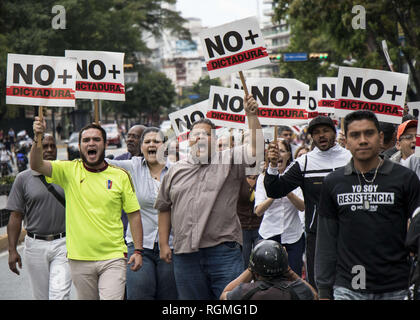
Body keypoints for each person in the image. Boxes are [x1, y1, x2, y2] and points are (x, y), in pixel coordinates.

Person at [155, 94, 264, 300]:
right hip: (185, 255)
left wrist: (252, 116)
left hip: (223, 252)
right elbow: (163, 207)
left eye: (205, 134)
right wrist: (163, 244)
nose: (199, 138)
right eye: (195, 135)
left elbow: (256, 151)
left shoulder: (230, 160)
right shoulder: (175, 170)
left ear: (215, 139)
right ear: (189, 140)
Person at [30, 120, 144, 300]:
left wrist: (138, 251)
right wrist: (38, 137)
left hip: (113, 257)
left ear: (105, 144)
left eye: (96, 139)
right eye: (87, 140)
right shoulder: (68, 170)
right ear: (80, 146)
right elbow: (36, 165)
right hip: (79, 259)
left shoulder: (120, 175)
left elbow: (134, 214)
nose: (91, 143)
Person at [315, 110, 420, 300]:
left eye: (369, 133)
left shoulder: (405, 178)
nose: (362, 140)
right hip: (348, 288)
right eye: (355, 135)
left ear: (380, 137)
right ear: (345, 141)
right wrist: (323, 289)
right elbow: (326, 239)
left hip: (396, 288)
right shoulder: (332, 182)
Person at [264, 115, 352, 289]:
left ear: (334, 132)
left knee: (352, 285)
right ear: (311, 136)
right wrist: (272, 166)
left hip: (351, 233)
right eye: (316, 132)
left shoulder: (350, 158)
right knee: (318, 285)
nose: (321, 135)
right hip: (317, 236)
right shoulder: (304, 162)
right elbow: (275, 190)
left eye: (325, 131)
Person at [106, 127, 178, 300]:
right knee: (139, 295)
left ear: (165, 147)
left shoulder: (178, 170)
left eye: (156, 141)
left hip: (172, 246)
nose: (151, 144)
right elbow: (100, 163)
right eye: (147, 142)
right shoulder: (133, 167)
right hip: (139, 248)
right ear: (141, 147)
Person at [7, 134, 72, 300]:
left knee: (59, 295)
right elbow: (15, 216)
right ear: (35, 150)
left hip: (64, 244)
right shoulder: (23, 179)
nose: (49, 150)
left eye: (53, 146)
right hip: (34, 245)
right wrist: (12, 250)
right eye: (45, 146)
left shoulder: (67, 173)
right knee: (41, 297)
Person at [255, 139, 305, 276]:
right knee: (268, 278)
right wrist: (275, 190)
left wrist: (286, 189)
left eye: (282, 151)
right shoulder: (262, 178)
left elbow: (302, 206)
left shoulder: (295, 176)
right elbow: (258, 211)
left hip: (293, 236)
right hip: (268, 235)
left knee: (293, 277)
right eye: (275, 151)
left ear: (289, 155)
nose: (278, 155)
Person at [220, 240, 317, 300]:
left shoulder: (245, 291)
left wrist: (251, 268)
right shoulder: (296, 289)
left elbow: (224, 295)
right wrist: (289, 271)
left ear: (255, 273)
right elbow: (314, 296)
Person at [237, 173, 262, 270]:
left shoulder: (262, 178)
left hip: (259, 225)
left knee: (259, 258)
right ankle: (244, 284)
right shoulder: (239, 179)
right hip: (243, 226)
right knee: (245, 260)